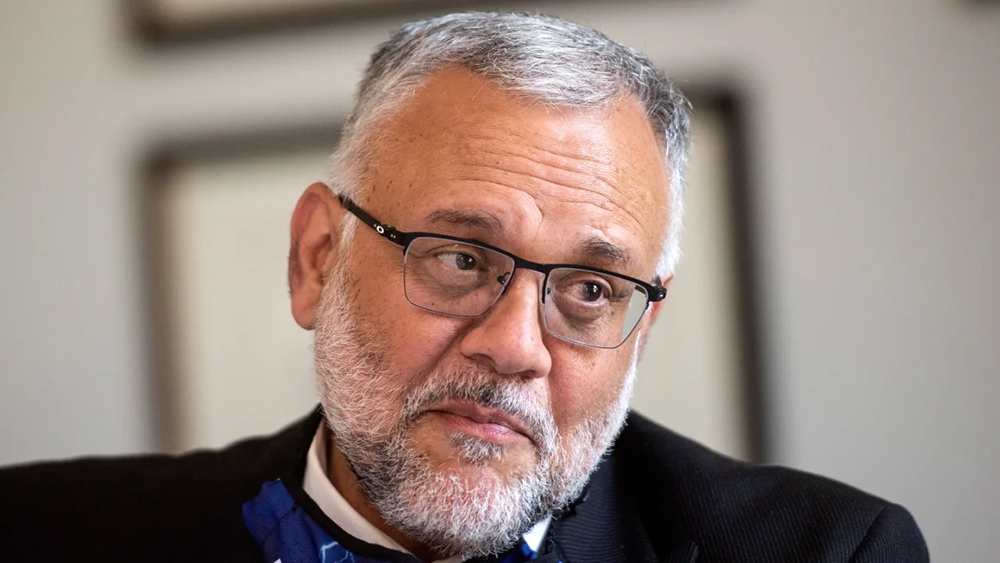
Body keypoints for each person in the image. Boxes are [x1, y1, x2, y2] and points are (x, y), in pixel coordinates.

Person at [0, 12, 927, 563]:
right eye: (459, 258)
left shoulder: (832, 550)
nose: (516, 347)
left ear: (641, 327)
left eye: (591, 289)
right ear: (317, 258)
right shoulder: (43, 534)